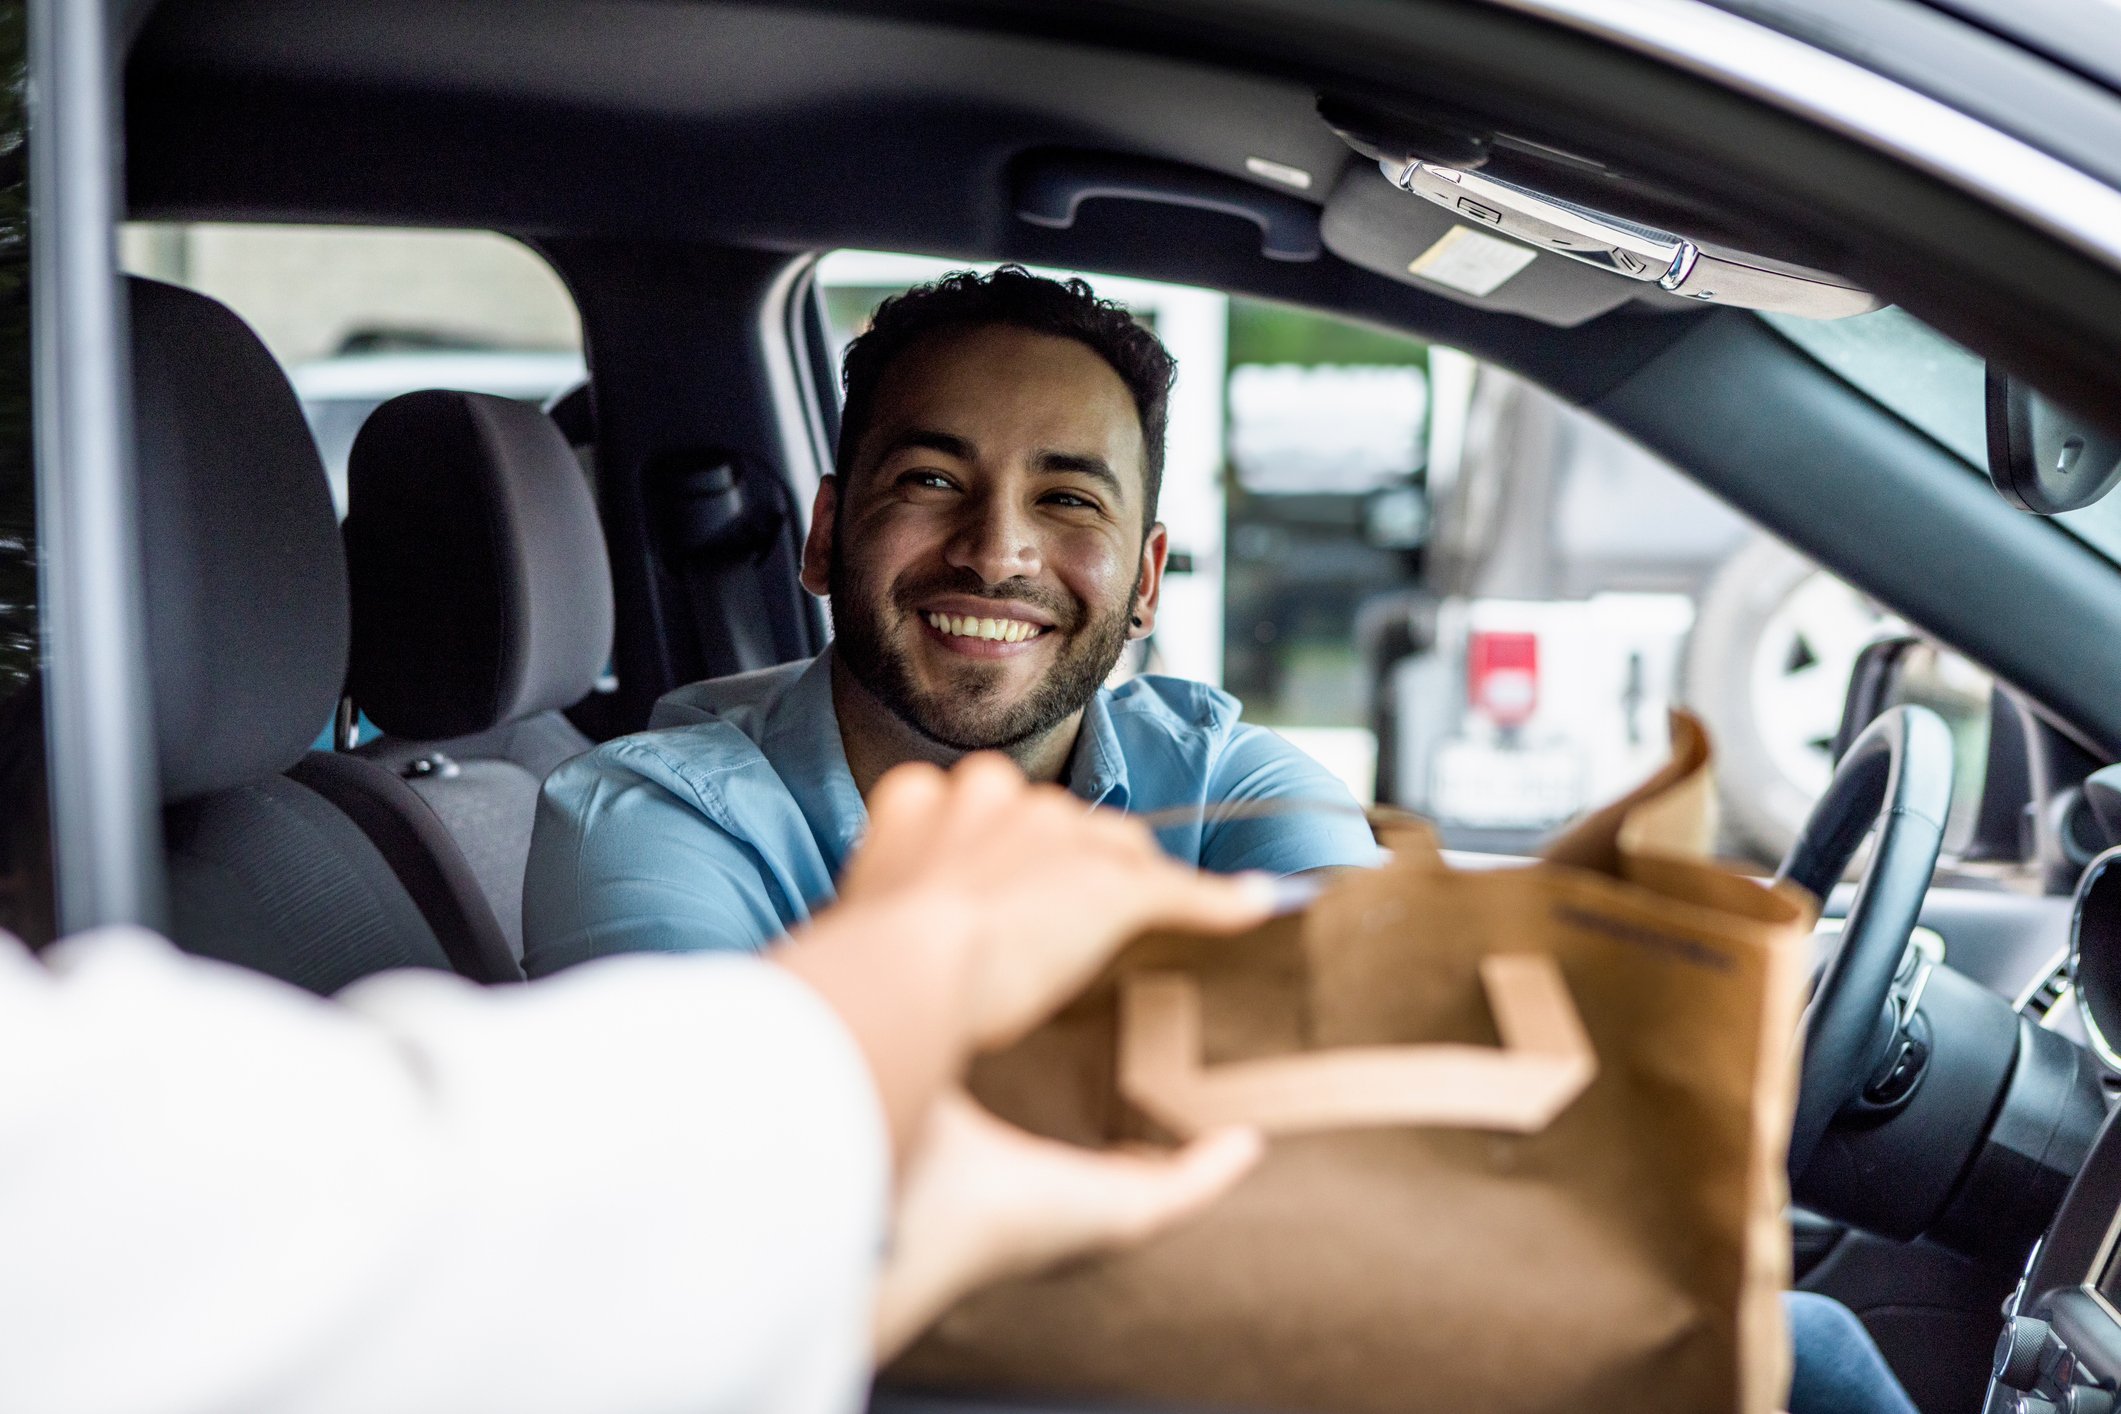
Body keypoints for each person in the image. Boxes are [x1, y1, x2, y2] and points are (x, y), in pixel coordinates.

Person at [1, 755, 1274, 1414]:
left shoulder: (1211, 747)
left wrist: (892, 1255)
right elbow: (178, 1236)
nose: (999, 548)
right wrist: (920, 948)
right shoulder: (650, 806)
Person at [523, 266, 1378, 975]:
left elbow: (1380, 1035)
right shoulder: (652, 818)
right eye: (930, 481)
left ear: (1145, 582)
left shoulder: (1223, 785)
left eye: (1069, 499)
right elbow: (716, 1162)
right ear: (826, 535)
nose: (997, 551)